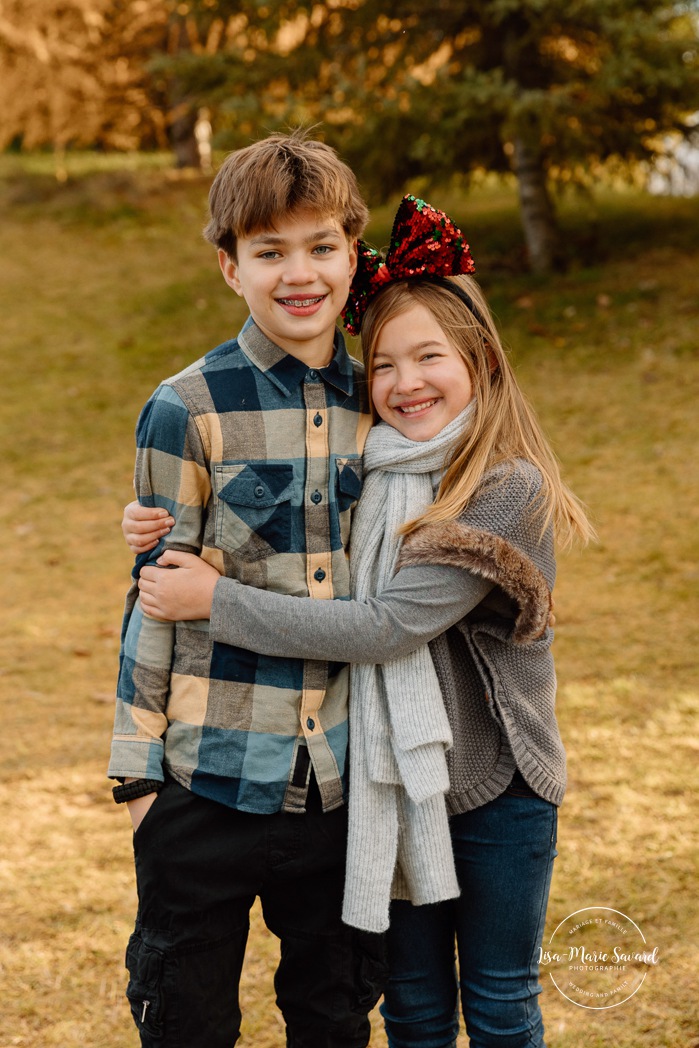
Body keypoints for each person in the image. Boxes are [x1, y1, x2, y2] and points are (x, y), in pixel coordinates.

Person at [125, 193, 595, 1048]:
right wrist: (152, 523)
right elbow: (281, 513)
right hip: (386, 785)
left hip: (492, 784)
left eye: (429, 358)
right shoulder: (373, 454)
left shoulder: (504, 487)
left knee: (496, 1002)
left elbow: (384, 626)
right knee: (410, 1005)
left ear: (483, 360)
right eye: (384, 365)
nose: (406, 383)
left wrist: (215, 600)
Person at [109, 128, 390, 1048]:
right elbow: (154, 594)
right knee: (186, 1021)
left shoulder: (387, 402)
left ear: (353, 254)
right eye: (269, 252)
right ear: (231, 267)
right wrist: (139, 779)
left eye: (320, 247)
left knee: (334, 1015)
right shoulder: (184, 407)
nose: (298, 274)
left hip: (341, 784)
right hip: (208, 779)